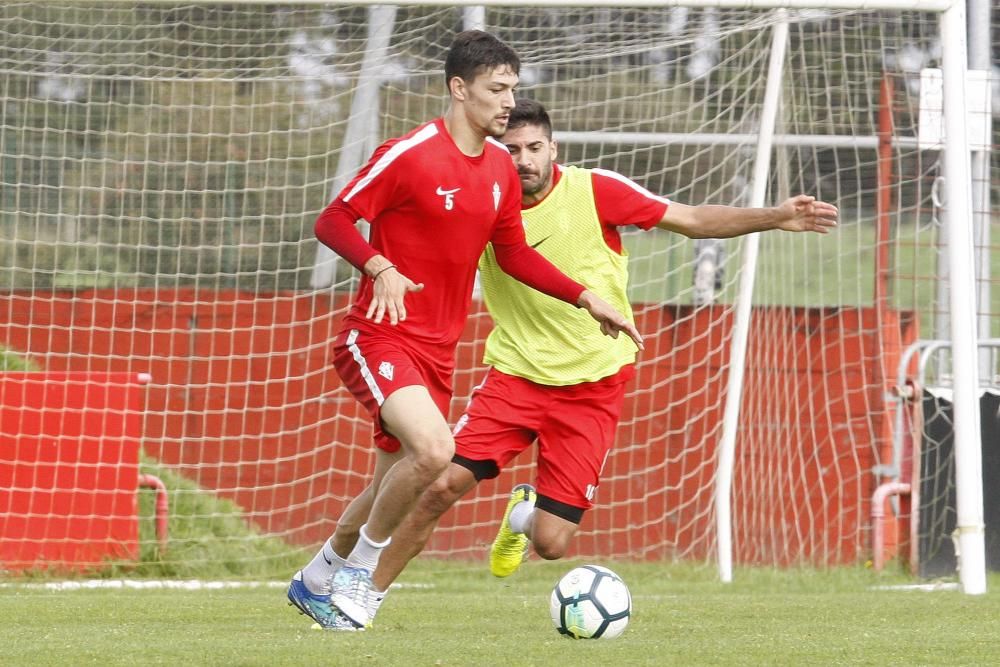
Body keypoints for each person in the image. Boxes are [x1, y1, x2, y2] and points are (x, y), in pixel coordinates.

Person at [348, 97, 839, 627]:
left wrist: (776, 216)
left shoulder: (595, 190)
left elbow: (692, 218)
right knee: (440, 483)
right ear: (493, 153)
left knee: (553, 544)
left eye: (534, 147)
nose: (523, 160)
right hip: (515, 377)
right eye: (511, 150)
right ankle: (362, 599)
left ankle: (522, 514)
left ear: (553, 148)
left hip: (594, 385)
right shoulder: (483, 202)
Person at [286, 33, 643, 631]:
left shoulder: (502, 169)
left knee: (388, 486)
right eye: (496, 89)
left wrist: (586, 298)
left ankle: (318, 575)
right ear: (459, 88)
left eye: (513, 90)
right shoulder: (412, 153)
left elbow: (513, 256)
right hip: (379, 335)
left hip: (438, 351)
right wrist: (381, 268)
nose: (508, 102)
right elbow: (334, 219)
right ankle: (359, 575)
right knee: (435, 452)